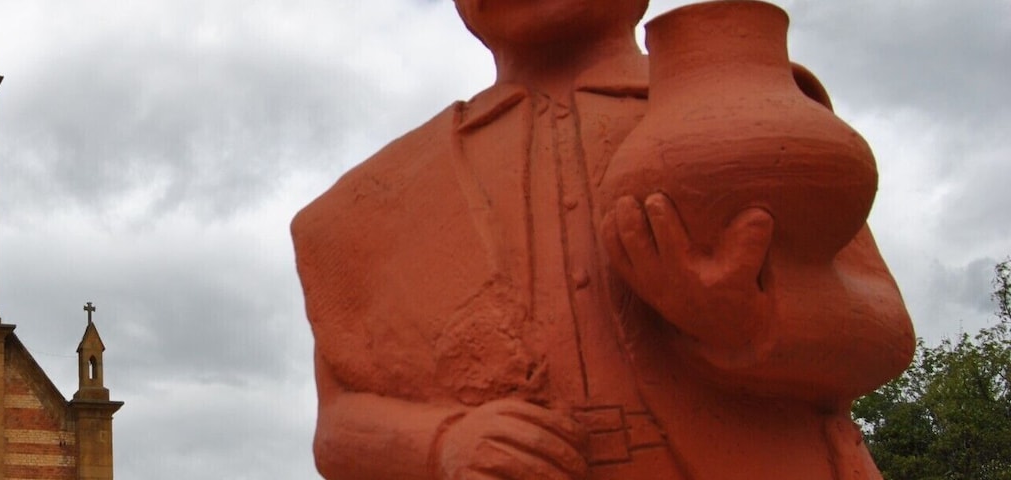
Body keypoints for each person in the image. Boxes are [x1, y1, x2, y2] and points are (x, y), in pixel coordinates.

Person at [290, 0, 915, 478]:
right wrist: (445, 441)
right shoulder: (379, 198)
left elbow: (884, 330)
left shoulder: (745, 112)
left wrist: (755, 322)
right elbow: (338, 425)